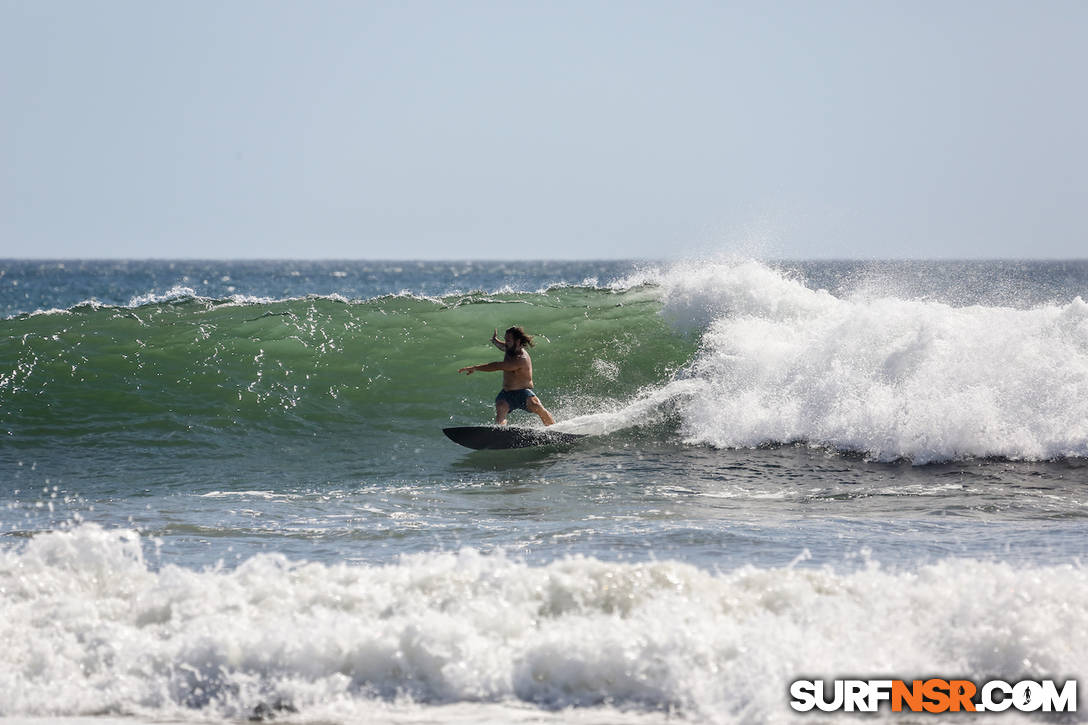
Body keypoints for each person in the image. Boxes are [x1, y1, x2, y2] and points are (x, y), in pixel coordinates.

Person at [458, 326, 556, 426]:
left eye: (508, 340)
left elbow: (497, 366)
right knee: (501, 408)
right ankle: (501, 432)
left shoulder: (521, 359)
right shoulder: (510, 349)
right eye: (506, 340)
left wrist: (475, 367)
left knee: (537, 407)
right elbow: (502, 346)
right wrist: (494, 341)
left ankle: (553, 429)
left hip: (523, 393)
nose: (506, 343)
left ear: (517, 342)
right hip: (507, 393)